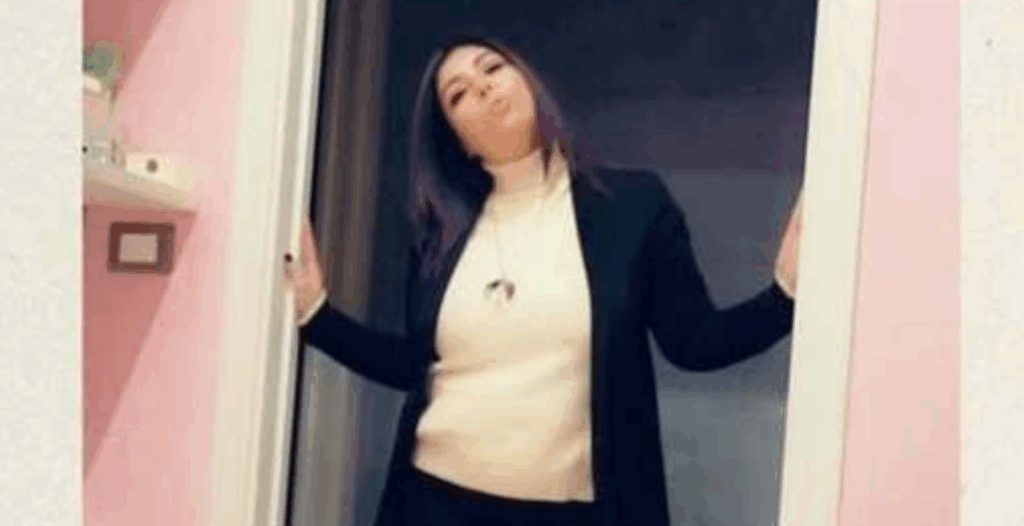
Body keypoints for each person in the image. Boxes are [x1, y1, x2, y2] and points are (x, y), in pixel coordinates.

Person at [285, 35, 803, 526]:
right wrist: (317, 315)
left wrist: (784, 295)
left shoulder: (632, 207)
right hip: (433, 501)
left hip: (571, 514)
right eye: (459, 94)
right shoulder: (437, 237)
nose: (483, 87)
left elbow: (694, 343)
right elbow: (416, 365)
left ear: (527, 82)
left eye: (492, 67)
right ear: (457, 140)